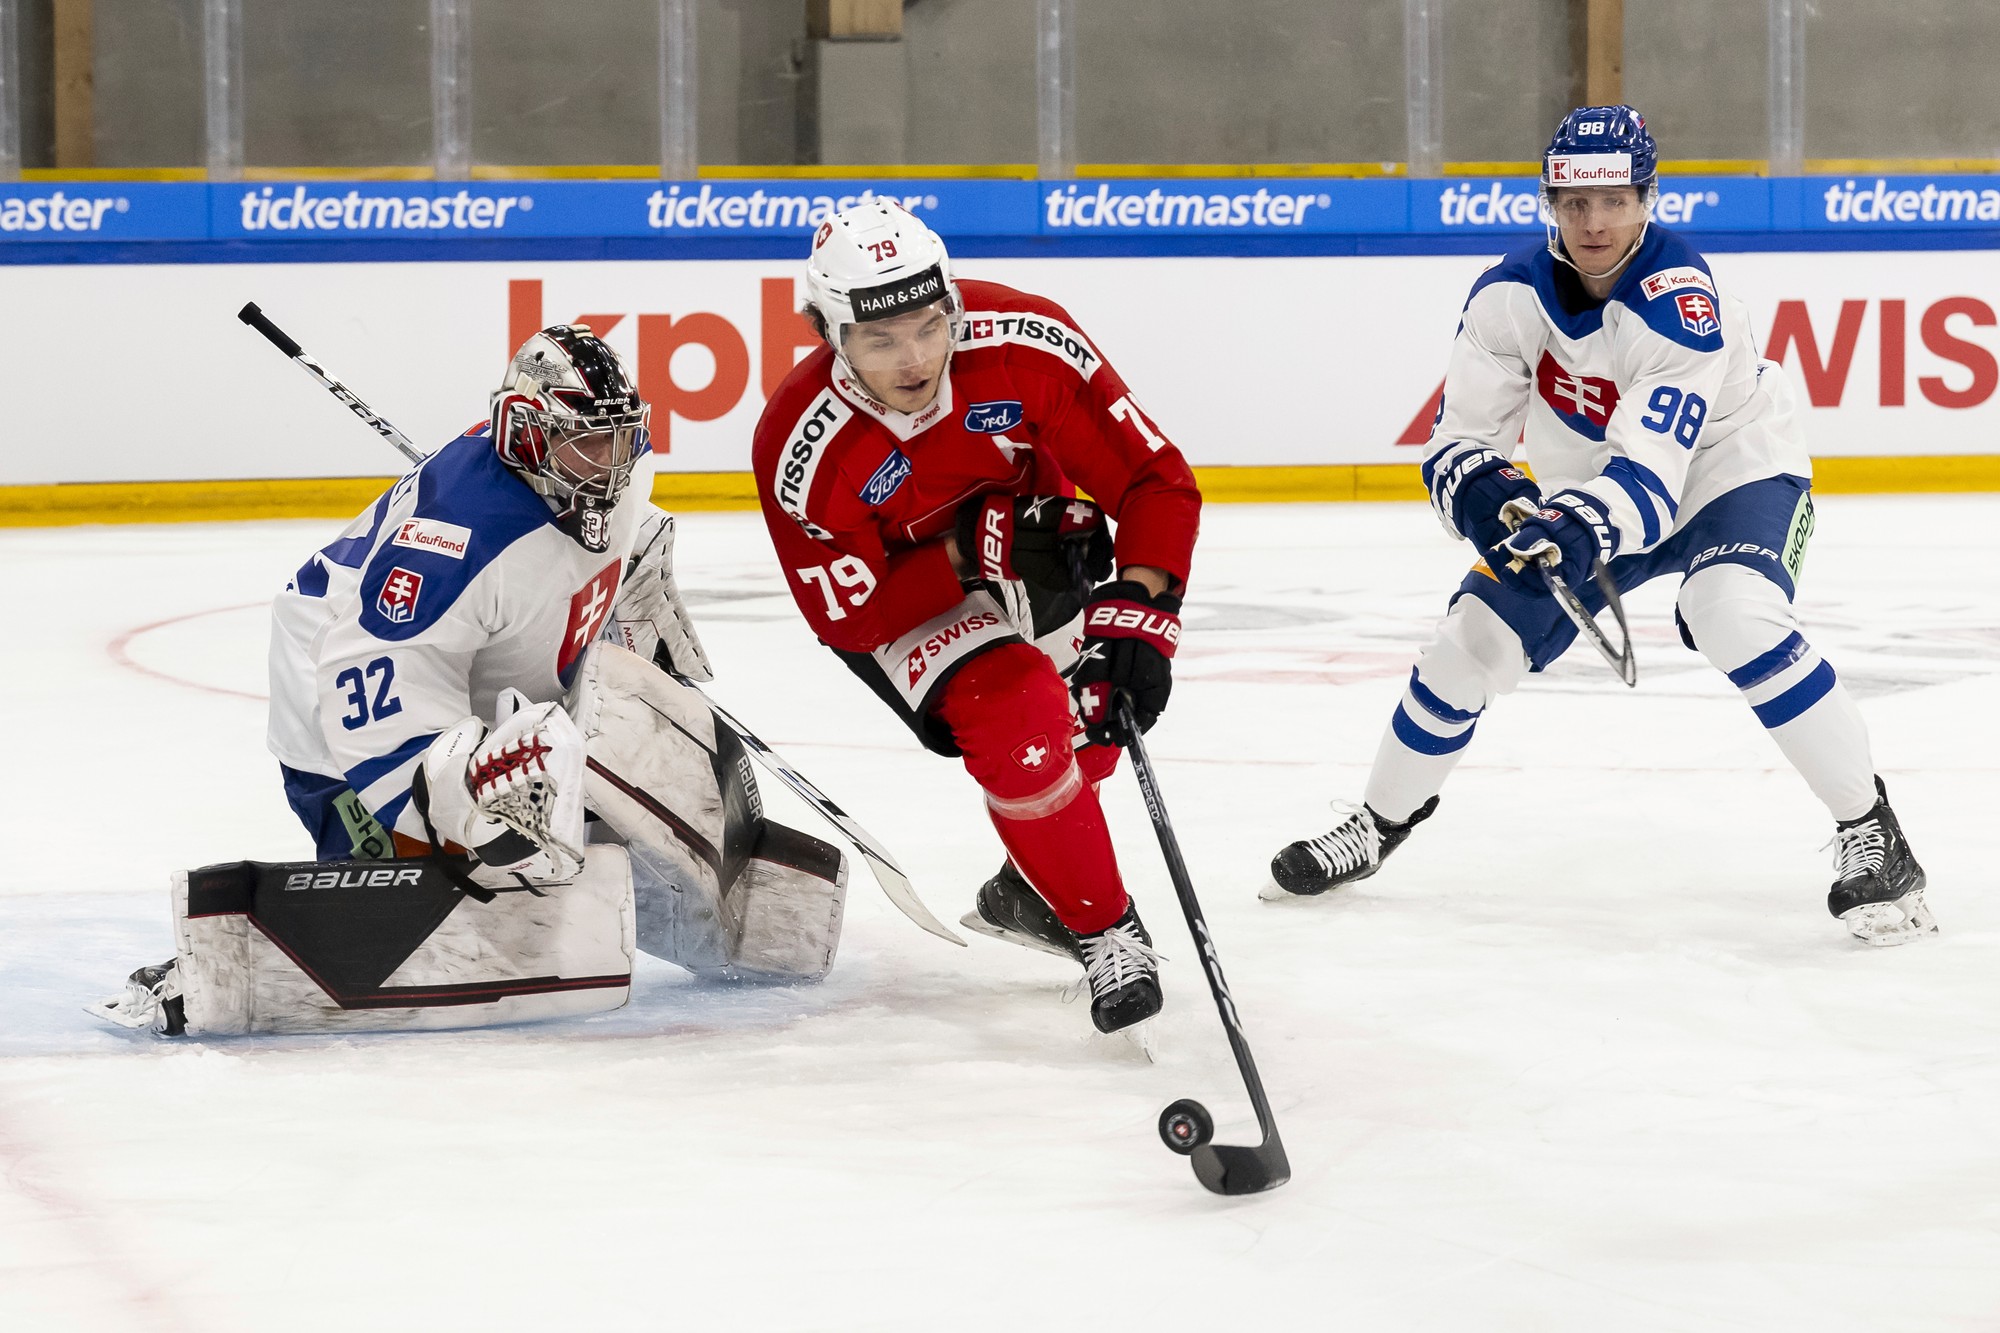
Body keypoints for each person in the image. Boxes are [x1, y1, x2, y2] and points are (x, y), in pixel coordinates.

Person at [1268, 105, 1933, 946]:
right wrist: (1491, 496)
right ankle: (1376, 823)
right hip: (1594, 490)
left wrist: (1575, 523)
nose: (1593, 222)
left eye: (1614, 200)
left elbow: (1654, 479)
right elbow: (1457, 441)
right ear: (1549, 202)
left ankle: (1871, 828)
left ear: (1649, 198)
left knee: (1733, 611)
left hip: (1731, 472)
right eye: (1574, 203)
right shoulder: (1508, 297)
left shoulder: (1682, 301)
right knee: (1470, 637)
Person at [96, 325, 848, 1036]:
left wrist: (636, 595)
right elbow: (370, 695)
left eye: (622, 441)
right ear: (528, 431)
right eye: (589, 446)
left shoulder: (605, 473)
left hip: (479, 668)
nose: (612, 466)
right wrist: (452, 812)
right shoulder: (452, 541)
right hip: (338, 694)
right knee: (459, 854)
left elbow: (632, 520)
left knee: (560, 782)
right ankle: (360, 884)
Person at [751, 202, 1203, 1033]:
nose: (916, 357)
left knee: (1096, 712)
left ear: (951, 297)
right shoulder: (800, 447)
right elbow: (852, 614)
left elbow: (1155, 480)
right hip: (912, 597)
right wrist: (975, 551)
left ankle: (1031, 888)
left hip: (1036, 537)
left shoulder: (1028, 343)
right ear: (826, 329)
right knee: (1018, 711)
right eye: (880, 339)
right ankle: (1101, 922)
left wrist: (1143, 612)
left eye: (930, 324)